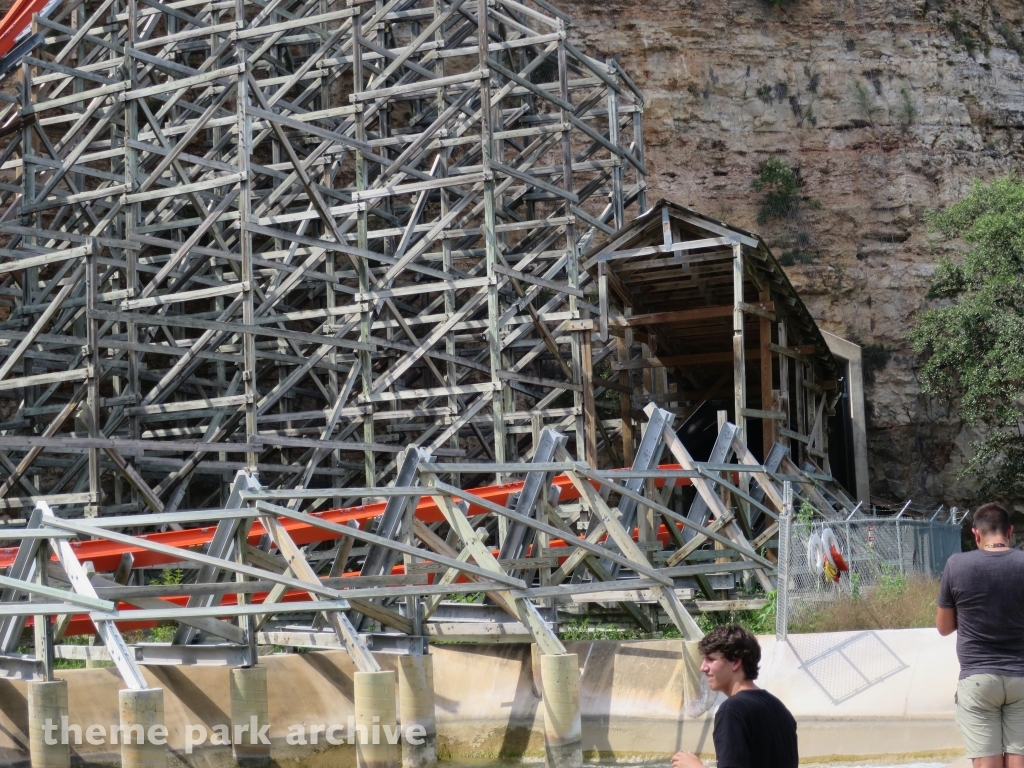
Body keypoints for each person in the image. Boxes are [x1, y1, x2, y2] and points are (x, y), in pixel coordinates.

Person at [937, 501, 1024, 768]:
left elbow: (944, 627)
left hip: (978, 679)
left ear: (976, 534)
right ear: (1009, 532)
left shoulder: (957, 565)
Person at [671, 625, 798, 768]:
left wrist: (693, 766)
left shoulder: (732, 711)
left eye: (710, 659)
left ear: (736, 662)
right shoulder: (780, 710)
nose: (703, 668)